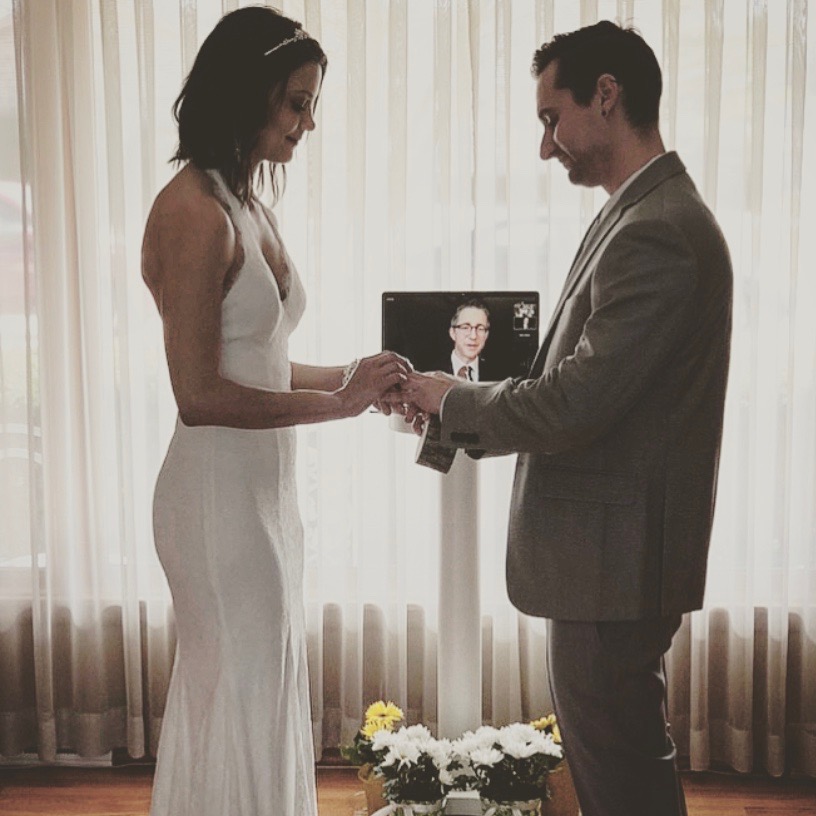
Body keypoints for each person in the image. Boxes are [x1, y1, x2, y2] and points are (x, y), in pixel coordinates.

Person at [398, 21, 732, 816]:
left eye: (553, 118)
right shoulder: (640, 211)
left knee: (623, 778)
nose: (548, 147)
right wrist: (459, 405)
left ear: (607, 97)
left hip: (615, 565)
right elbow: (582, 386)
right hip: (605, 560)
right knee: (615, 766)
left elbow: (577, 402)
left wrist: (452, 401)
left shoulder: (658, 230)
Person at [141, 8, 407, 816]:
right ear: (244, 93)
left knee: (265, 689)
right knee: (239, 694)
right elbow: (199, 395)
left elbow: (261, 361)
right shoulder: (192, 210)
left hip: (264, 498)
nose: (308, 121)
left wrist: (361, 377)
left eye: (310, 102)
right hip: (216, 502)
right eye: (295, 101)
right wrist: (337, 404)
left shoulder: (244, 200)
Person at [442, 300, 492, 381]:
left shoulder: (498, 376)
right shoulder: (430, 374)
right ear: (453, 333)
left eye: (480, 328)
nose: (473, 336)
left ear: (486, 335)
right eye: (465, 327)